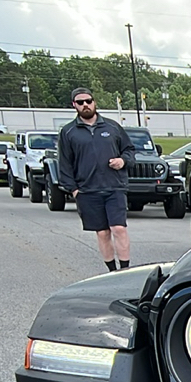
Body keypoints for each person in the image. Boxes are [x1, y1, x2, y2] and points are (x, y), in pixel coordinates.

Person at [57, 86, 134, 271]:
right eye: (80, 102)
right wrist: (74, 190)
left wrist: (122, 161)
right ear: (74, 105)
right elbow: (65, 162)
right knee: (102, 232)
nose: (86, 105)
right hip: (88, 190)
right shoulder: (68, 132)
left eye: (88, 101)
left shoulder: (112, 127)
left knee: (119, 229)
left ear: (94, 102)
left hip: (114, 187)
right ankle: (111, 271)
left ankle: (125, 270)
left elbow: (129, 150)